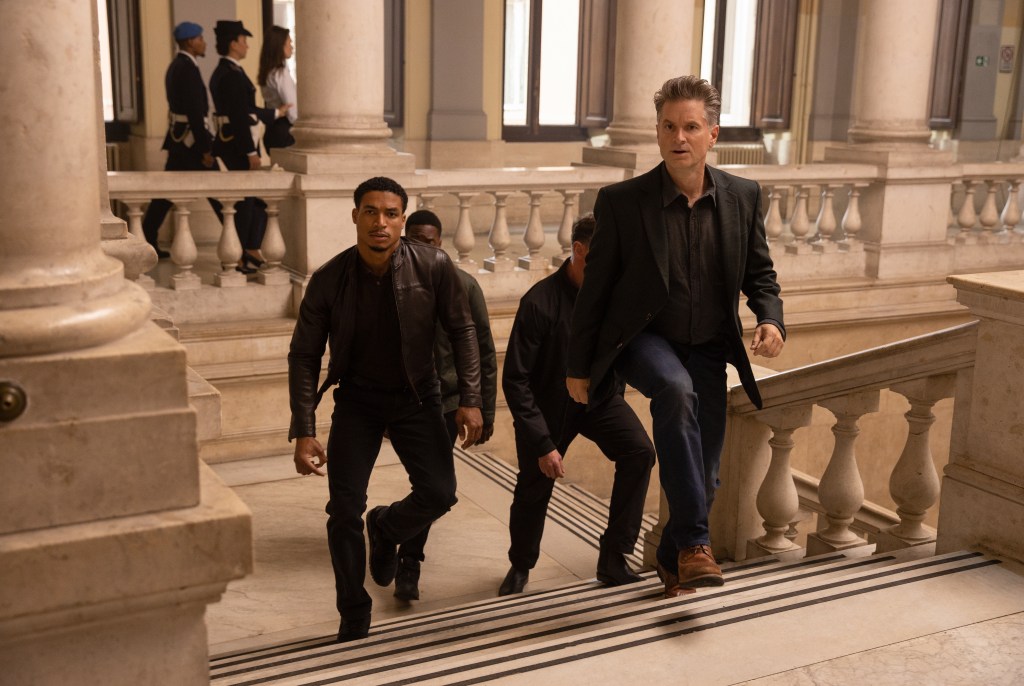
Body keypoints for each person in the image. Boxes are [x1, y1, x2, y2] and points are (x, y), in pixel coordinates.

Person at [566, 76, 785, 598]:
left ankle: (672, 556)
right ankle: (695, 546)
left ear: (713, 133)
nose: (678, 137)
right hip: (644, 339)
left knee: (704, 479)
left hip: (709, 346)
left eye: (690, 127)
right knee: (674, 388)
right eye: (668, 126)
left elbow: (760, 274)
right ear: (658, 131)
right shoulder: (622, 202)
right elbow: (595, 291)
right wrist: (578, 366)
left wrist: (771, 318)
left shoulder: (743, 197)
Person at [288, 176, 484, 643]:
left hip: (418, 398)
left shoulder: (434, 266)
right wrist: (304, 428)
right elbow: (304, 355)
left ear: (402, 219)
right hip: (358, 401)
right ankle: (353, 611)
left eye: (391, 213)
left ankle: (385, 525)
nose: (381, 222)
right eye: (371, 212)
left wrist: (472, 399)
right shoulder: (329, 278)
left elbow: (464, 331)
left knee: (439, 493)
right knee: (343, 512)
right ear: (355, 216)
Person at [499, 214, 656, 596]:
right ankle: (520, 565)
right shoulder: (538, 302)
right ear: (579, 250)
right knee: (533, 486)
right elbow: (515, 380)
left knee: (639, 452)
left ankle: (614, 557)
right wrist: (542, 443)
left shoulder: (615, 296)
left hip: (599, 401)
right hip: (545, 409)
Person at [395, 209, 499, 601]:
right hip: (403, 401)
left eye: (429, 241)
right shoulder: (390, 284)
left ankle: (408, 560)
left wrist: (484, 409)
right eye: (415, 240)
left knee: (433, 486)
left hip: (447, 404)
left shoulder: (464, 286)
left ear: (441, 244)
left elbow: (485, 353)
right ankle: (387, 530)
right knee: (429, 486)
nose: (422, 248)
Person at [209, 19, 290, 273]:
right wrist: (250, 152)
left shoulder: (228, 71)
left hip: (235, 144)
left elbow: (246, 110)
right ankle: (240, 255)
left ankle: (248, 250)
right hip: (236, 146)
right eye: (243, 41)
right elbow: (239, 117)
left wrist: (274, 113)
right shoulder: (231, 74)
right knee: (245, 203)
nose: (247, 46)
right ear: (233, 44)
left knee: (252, 202)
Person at [140, 21, 223, 259]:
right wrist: (205, 149)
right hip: (192, 143)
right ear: (190, 42)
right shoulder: (187, 68)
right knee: (220, 191)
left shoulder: (178, 65)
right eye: (200, 38)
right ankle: (242, 243)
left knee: (166, 193)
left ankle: (147, 236)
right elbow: (195, 113)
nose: (204, 42)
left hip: (181, 140)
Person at [257, 25, 297, 150]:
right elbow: (291, 107)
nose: (292, 47)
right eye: (289, 42)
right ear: (280, 46)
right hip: (284, 131)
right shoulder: (280, 73)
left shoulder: (268, 71)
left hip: (272, 130)